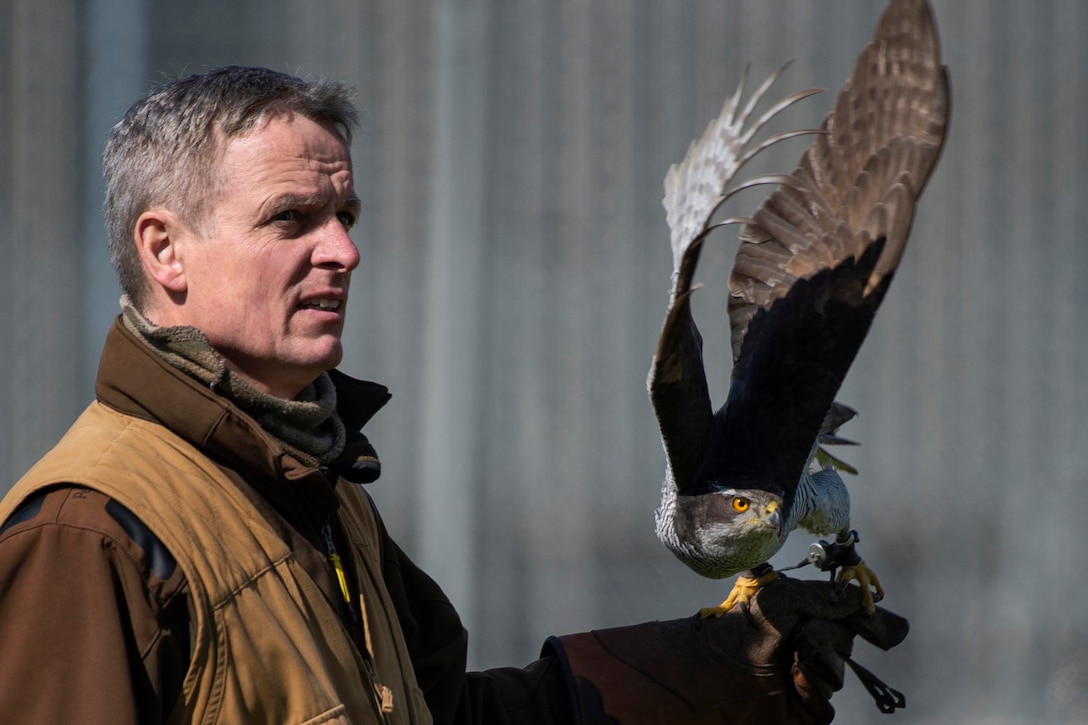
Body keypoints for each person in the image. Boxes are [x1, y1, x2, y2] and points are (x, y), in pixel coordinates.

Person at [0, 66, 906, 724]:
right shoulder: (90, 535)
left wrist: (722, 660)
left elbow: (452, 721)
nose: (343, 252)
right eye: (291, 219)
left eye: (345, 217)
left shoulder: (316, 491)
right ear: (165, 251)